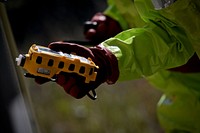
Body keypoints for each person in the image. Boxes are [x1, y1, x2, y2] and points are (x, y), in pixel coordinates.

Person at [36, 0, 200, 132]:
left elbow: (177, 36)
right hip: (183, 103)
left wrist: (109, 59)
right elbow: (135, 6)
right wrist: (115, 20)